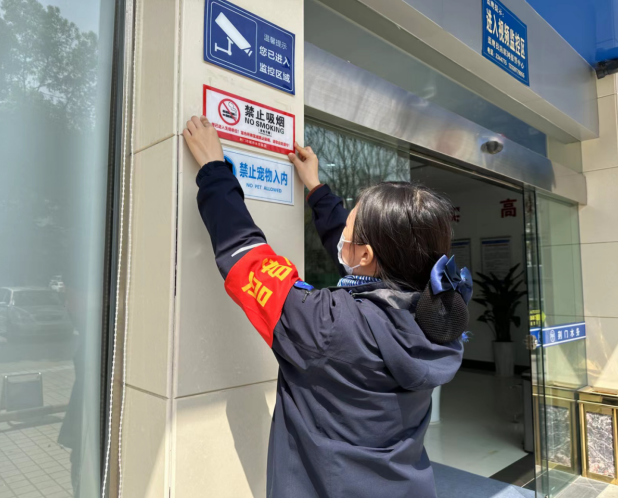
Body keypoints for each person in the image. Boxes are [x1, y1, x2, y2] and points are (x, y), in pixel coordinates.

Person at [184, 115, 473, 498]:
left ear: (366, 255)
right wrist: (316, 188)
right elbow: (368, 266)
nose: (342, 239)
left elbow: (246, 258)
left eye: (349, 230)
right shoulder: (434, 317)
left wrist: (214, 169)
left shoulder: (328, 324)